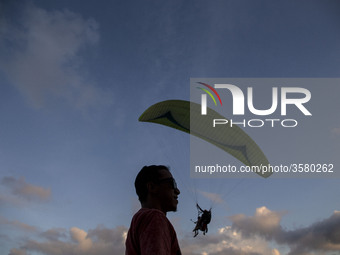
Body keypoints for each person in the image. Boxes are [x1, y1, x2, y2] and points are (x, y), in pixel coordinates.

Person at [125, 165, 182, 255]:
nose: (177, 191)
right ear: (152, 187)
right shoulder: (154, 217)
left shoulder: (137, 223)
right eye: (172, 183)